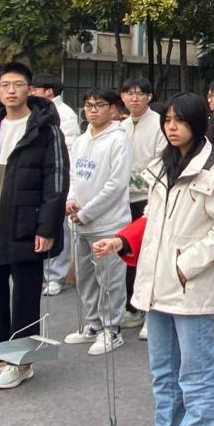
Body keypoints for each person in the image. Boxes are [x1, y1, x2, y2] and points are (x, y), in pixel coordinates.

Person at [93, 91, 214, 426]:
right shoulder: (162, 165)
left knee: (195, 372)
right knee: (162, 369)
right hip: (156, 286)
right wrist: (122, 240)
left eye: (180, 121)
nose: (172, 128)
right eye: (168, 121)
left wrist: (185, 264)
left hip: (189, 286)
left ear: (197, 123)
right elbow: (152, 219)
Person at [0, 63, 68, 390]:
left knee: (24, 299)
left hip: (26, 226)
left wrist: (46, 228)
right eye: (5, 85)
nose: (11, 90)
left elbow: (56, 182)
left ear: (29, 90)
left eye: (18, 84)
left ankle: (21, 363)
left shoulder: (45, 129)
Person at [63, 88, 131, 357]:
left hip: (108, 223)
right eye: (88, 105)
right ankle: (93, 323)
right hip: (79, 222)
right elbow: (73, 175)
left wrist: (87, 212)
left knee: (110, 278)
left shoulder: (119, 139)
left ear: (112, 109)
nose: (92, 110)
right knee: (85, 277)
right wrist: (71, 200)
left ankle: (112, 328)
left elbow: (117, 184)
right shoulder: (81, 140)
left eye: (99, 105)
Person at [119, 77, 164, 339]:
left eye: (139, 93)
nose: (134, 98)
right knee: (128, 254)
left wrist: (138, 180)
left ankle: (150, 311)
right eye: (129, 93)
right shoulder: (121, 127)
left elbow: (160, 161)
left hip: (149, 198)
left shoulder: (159, 124)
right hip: (122, 200)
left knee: (149, 254)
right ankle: (132, 307)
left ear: (149, 96)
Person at [35, 73, 81, 297]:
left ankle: (56, 276)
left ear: (48, 91)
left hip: (59, 178)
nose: (30, 92)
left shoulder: (64, 115)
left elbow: (69, 154)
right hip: (41, 177)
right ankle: (45, 273)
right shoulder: (37, 111)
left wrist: (69, 189)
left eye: (34, 89)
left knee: (58, 228)